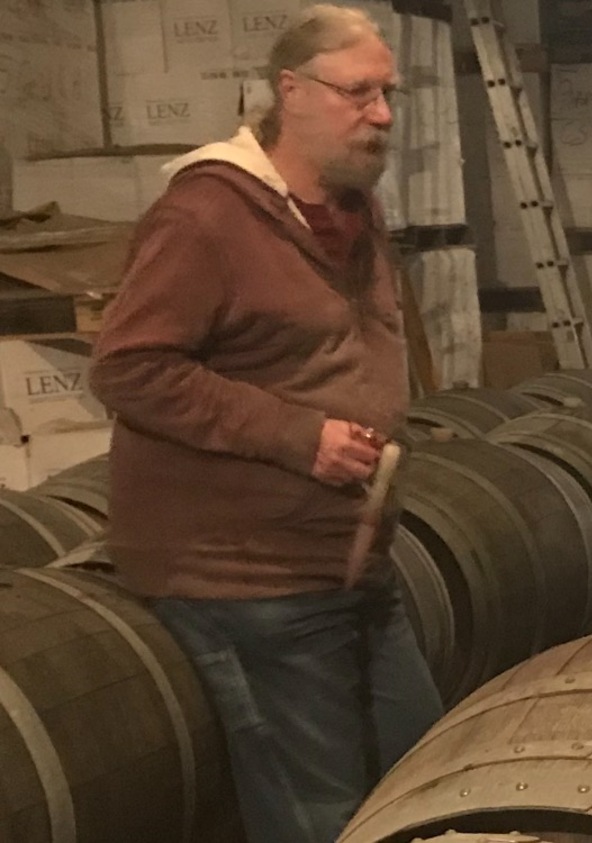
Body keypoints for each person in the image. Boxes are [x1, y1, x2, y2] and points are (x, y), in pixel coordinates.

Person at [88, 6, 443, 842]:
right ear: (290, 91)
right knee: (323, 816)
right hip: (246, 578)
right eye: (359, 93)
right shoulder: (208, 214)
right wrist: (299, 436)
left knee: (426, 776)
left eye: (388, 93)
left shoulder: (352, 209)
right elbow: (129, 368)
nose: (382, 114)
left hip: (348, 561)